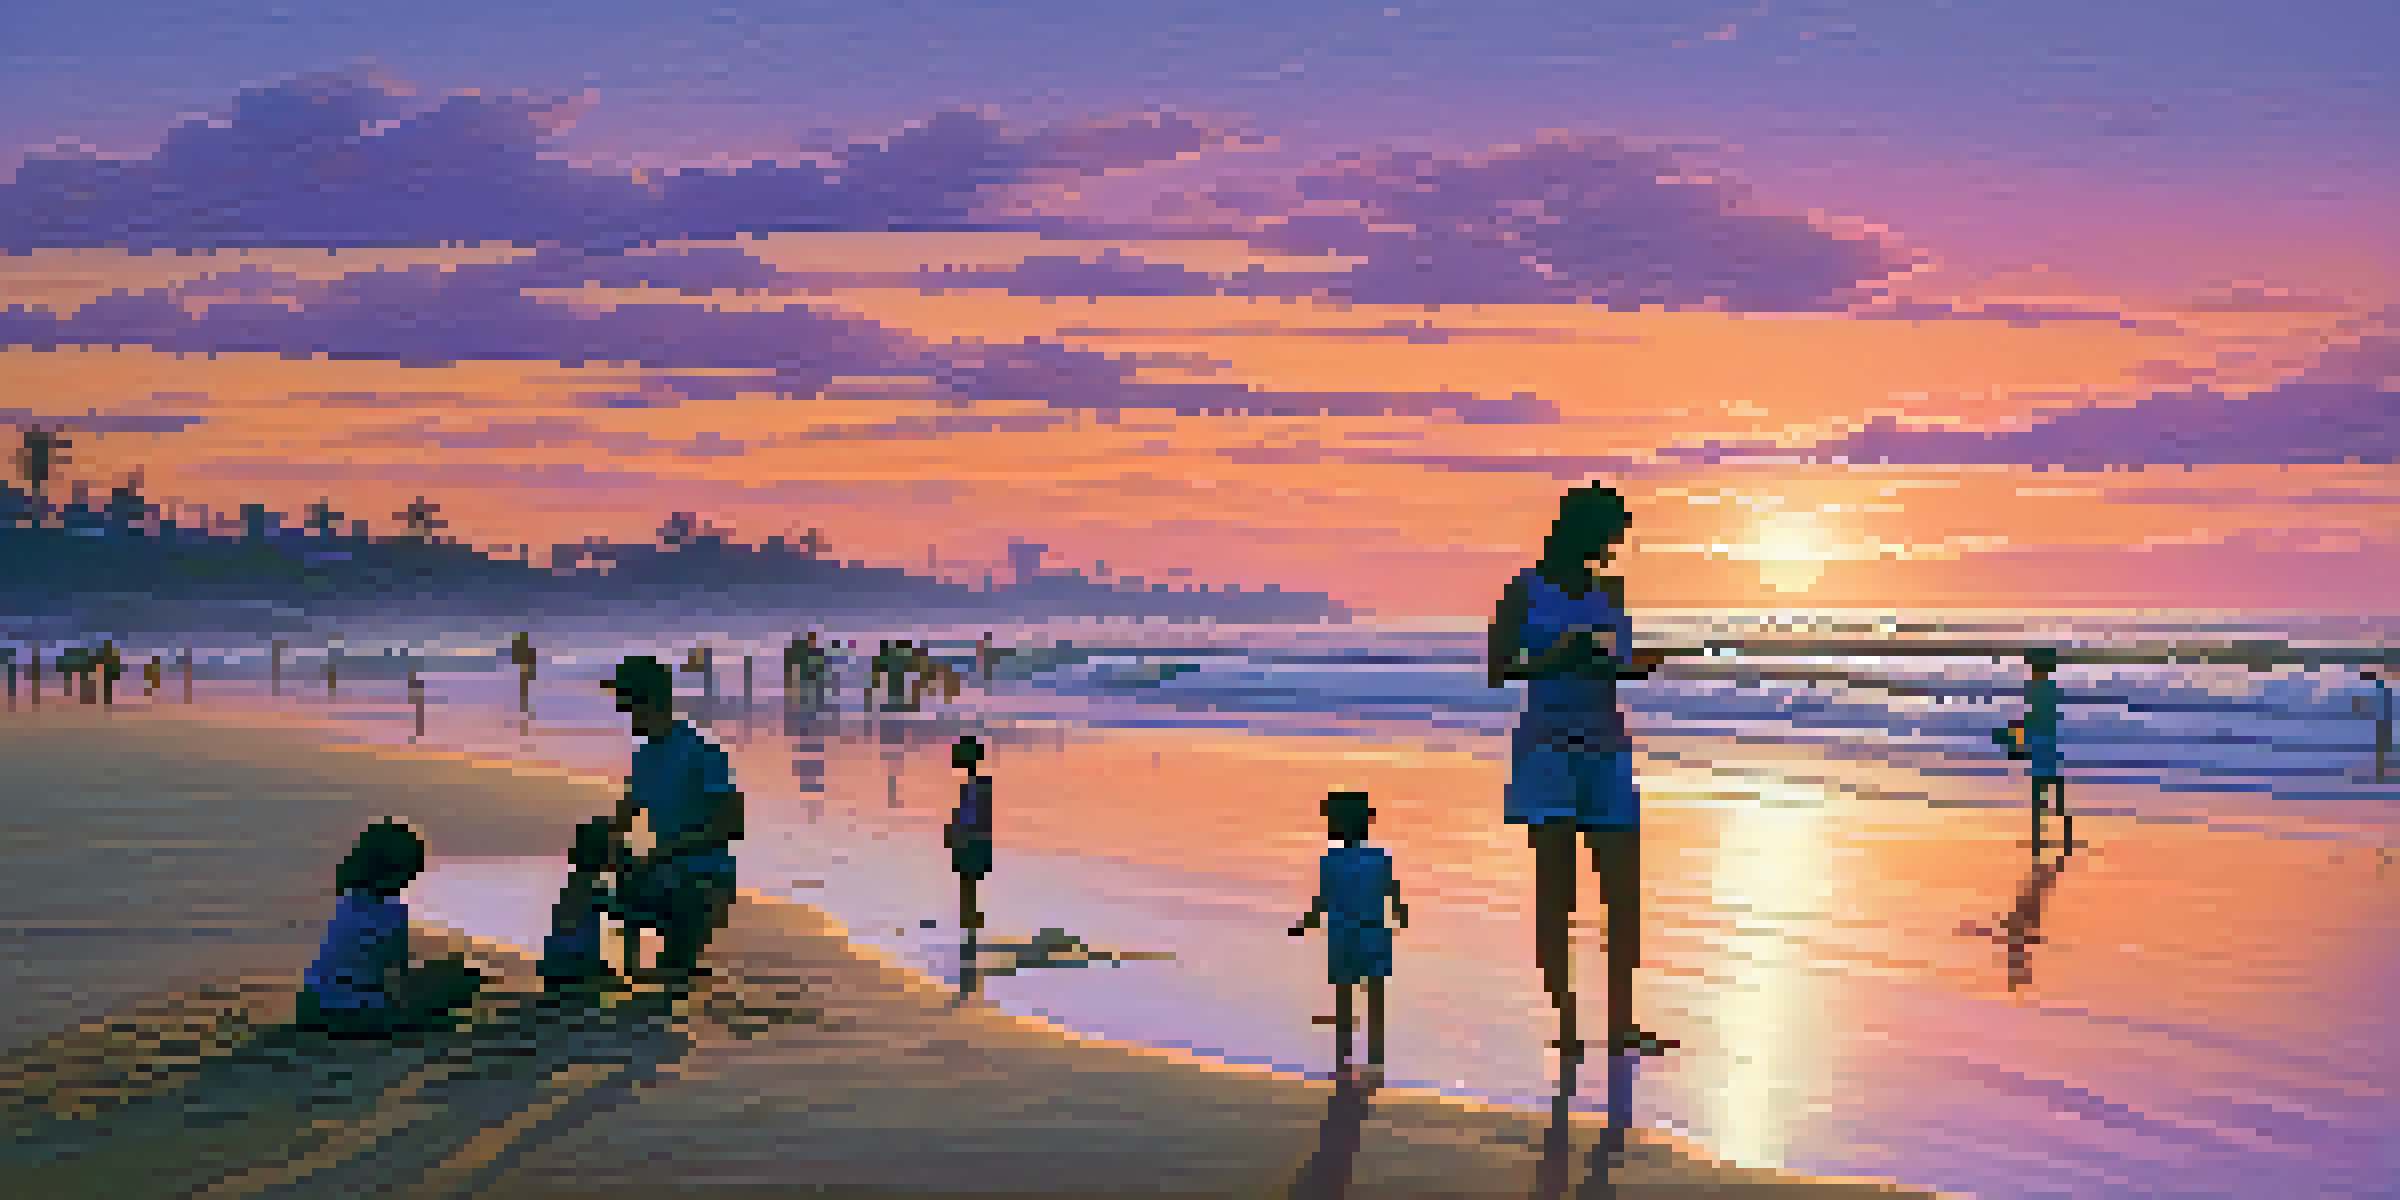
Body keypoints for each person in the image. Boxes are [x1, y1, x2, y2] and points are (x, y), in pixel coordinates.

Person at [1489, 484, 1673, 1060]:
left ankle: (1623, 1022)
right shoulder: (1525, 590)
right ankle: (1567, 1022)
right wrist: (1556, 655)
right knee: (1558, 892)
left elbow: (1619, 665)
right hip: (1548, 748)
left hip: (1606, 743)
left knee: (1623, 893)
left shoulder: (1610, 590)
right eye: (1606, 535)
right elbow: (1498, 669)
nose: (1611, 548)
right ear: (1578, 530)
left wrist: (1634, 665)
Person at [604, 656, 745, 1000]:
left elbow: (733, 824)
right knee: (608, 872)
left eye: (627, 703)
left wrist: (670, 848)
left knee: (674, 973)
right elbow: (624, 816)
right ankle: (627, 967)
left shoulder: (701, 753)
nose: (624, 712)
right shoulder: (645, 757)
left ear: (649, 702)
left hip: (704, 878)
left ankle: (677, 960)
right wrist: (606, 845)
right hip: (665, 873)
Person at [295, 818, 485, 1037]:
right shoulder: (392, 911)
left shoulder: (349, 900)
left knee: (446, 971)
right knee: (463, 974)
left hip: (312, 1005)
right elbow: (397, 978)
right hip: (347, 1011)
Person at [1289, 790, 1408, 1074]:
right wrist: (1400, 916)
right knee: (1375, 996)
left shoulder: (1331, 859)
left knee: (1344, 996)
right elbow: (1392, 892)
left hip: (1343, 937)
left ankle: (1344, 1055)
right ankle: (1375, 1056)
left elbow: (1324, 900)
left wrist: (1306, 923)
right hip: (1373, 934)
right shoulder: (1380, 857)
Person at [537, 816, 626, 1003]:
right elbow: (619, 911)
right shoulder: (593, 886)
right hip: (573, 967)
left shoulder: (574, 883)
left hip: (557, 966)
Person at [2000, 648, 2071, 852]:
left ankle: (2041, 840)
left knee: (2040, 796)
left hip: (2042, 746)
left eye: (2033, 667)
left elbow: (2035, 719)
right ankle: (2062, 835)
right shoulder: (2048, 688)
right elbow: (2043, 719)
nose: (2031, 671)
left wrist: (2017, 736)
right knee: (2052, 794)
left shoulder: (2039, 690)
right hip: (2047, 744)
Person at [947, 736, 994, 994]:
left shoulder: (976, 786)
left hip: (972, 845)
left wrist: (955, 833)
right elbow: (972, 817)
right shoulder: (977, 785)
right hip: (974, 844)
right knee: (969, 886)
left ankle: (970, 933)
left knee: (969, 885)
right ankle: (970, 934)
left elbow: (971, 818)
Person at [2356, 669, 2393, 781]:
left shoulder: (2382, 689)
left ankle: (2381, 773)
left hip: (2382, 724)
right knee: (2380, 749)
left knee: (2381, 749)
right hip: (2380, 724)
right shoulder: (2382, 688)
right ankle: (2380, 772)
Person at [783, 631, 829, 706]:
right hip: (804, 681)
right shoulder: (801, 651)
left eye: (813, 640)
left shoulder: (818, 652)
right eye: (811, 640)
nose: (813, 642)